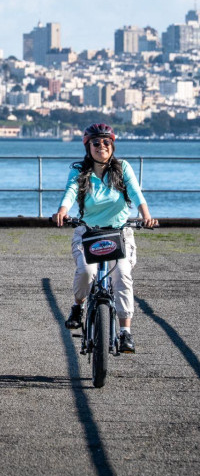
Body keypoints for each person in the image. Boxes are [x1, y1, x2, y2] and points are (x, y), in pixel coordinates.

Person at [51, 123, 157, 354]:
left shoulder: (122, 168)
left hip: (119, 232)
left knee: (122, 275)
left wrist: (146, 216)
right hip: (88, 231)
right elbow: (70, 190)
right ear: (87, 146)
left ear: (113, 145)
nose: (102, 147)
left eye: (106, 142)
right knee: (87, 273)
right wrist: (62, 210)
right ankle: (78, 307)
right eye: (96, 143)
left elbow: (136, 192)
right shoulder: (79, 169)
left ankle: (125, 332)